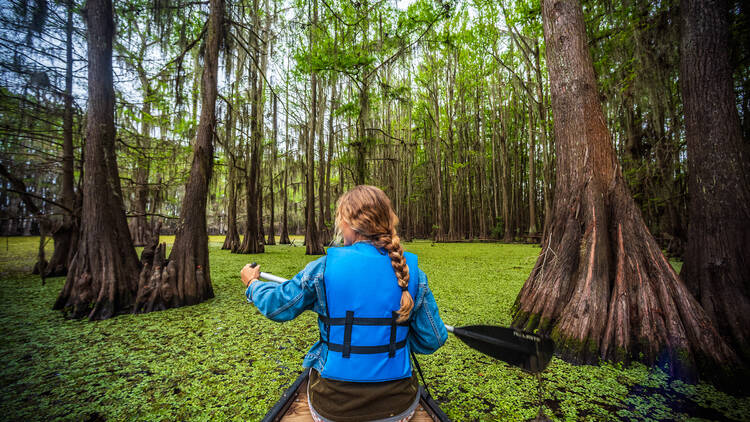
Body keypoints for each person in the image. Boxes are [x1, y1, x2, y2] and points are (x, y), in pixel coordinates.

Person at [240, 185, 447, 422]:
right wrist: (390, 337)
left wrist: (252, 285)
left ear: (348, 223)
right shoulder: (412, 274)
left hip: (333, 407)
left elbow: (277, 305)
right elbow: (433, 339)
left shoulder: (323, 268)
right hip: (398, 407)